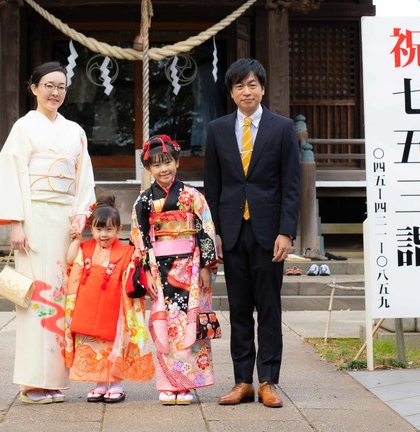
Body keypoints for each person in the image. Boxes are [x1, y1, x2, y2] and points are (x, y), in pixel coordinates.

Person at [0, 61, 97, 405]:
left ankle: (55, 379)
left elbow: (84, 178)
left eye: (61, 86)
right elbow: (10, 173)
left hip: (64, 221)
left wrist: (80, 216)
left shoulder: (75, 131)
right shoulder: (23, 127)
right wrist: (16, 223)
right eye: (48, 85)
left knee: (62, 297)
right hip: (33, 219)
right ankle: (33, 381)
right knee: (35, 298)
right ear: (34, 88)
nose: (55, 92)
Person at [203, 58, 300, 408]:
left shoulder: (282, 128)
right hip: (232, 232)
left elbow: (291, 185)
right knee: (239, 309)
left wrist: (286, 232)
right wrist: (213, 232)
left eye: (252, 85)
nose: (247, 91)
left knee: (269, 308)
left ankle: (268, 381)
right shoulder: (217, 129)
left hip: (269, 233)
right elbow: (212, 186)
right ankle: (242, 381)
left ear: (262, 88)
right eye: (240, 86)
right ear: (231, 93)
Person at [131, 134, 219, 405]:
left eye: (167, 162)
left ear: (177, 162)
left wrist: (206, 265)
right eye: (156, 164)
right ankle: (168, 384)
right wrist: (146, 271)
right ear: (148, 169)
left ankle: (187, 384)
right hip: (159, 269)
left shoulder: (192, 196)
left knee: (189, 321)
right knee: (165, 324)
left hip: (190, 267)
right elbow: (139, 237)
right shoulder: (144, 201)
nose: (163, 169)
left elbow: (206, 228)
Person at [63, 192, 153, 403]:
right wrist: (77, 240)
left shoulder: (127, 251)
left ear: (118, 229)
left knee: (114, 345)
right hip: (88, 305)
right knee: (94, 347)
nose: (103, 234)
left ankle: (116, 385)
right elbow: (70, 260)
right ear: (91, 229)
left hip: (115, 308)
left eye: (109, 229)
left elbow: (133, 276)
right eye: (99, 229)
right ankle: (100, 384)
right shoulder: (85, 248)